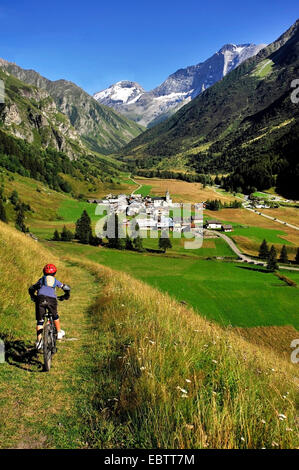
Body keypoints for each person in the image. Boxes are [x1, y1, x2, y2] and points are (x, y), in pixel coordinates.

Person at [28, 264, 71, 350]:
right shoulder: (55, 280)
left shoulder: (41, 280)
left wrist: (33, 296)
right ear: (55, 273)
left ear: (43, 272)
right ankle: (59, 332)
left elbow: (31, 288)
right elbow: (66, 288)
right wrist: (66, 295)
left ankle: (39, 342)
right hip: (51, 300)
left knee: (40, 321)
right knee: (55, 315)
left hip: (40, 299)